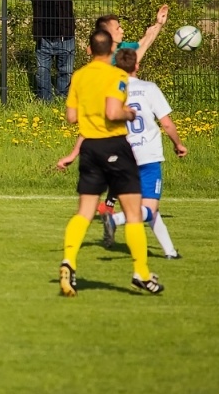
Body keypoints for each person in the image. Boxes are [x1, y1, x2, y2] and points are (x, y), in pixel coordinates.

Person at [58, 29, 163, 297]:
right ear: (111, 52)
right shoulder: (116, 75)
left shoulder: (79, 76)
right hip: (115, 145)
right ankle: (140, 272)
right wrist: (129, 113)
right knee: (132, 213)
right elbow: (113, 111)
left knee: (84, 212)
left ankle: (69, 260)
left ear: (90, 50)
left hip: (90, 148)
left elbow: (71, 116)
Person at [60, 48, 186, 259]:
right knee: (150, 207)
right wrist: (178, 144)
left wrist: (73, 154)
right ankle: (115, 220)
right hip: (148, 156)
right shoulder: (149, 88)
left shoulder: (111, 88)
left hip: (123, 155)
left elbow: (93, 126)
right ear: (137, 65)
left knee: (148, 206)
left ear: (116, 66)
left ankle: (170, 252)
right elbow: (166, 123)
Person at [15, 0, 75, 101]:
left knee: (65, 71)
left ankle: (62, 98)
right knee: (43, 72)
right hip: (44, 39)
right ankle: (45, 99)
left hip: (64, 38)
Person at [94, 5, 169, 68]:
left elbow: (143, 44)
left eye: (120, 27)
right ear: (107, 34)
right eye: (117, 29)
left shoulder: (122, 46)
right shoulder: (104, 55)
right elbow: (128, 65)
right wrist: (146, 43)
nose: (122, 31)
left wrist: (159, 22)